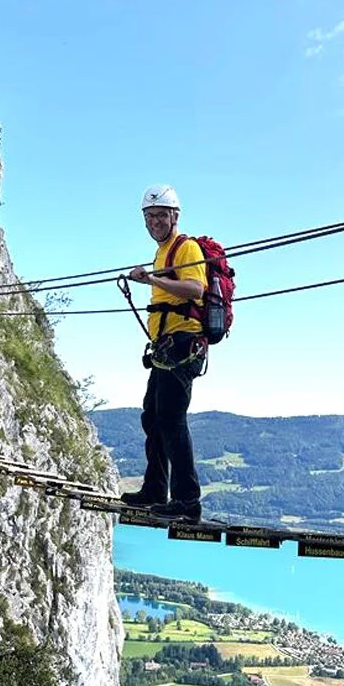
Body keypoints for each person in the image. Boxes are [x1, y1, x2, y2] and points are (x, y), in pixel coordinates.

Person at [120, 185, 208, 523]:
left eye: (160, 215)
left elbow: (195, 289)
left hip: (183, 343)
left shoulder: (186, 248)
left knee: (171, 419)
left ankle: (187, 502)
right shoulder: (162, 252)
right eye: (150, 216)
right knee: (153, 417)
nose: (155, 221)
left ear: (175, 216)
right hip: (167, 346)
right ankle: (155, 489)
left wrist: (153, 280)